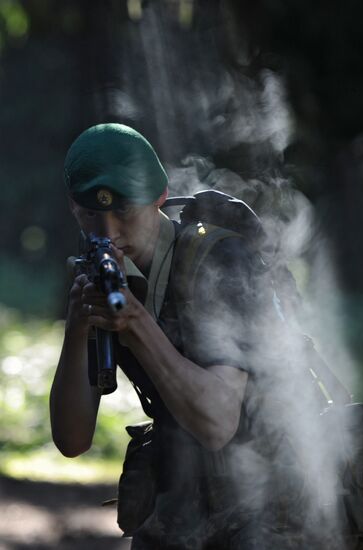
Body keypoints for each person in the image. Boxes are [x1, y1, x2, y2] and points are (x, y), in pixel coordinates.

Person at [50, 123, 287, 549]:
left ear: (159, 197)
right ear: (72, 207)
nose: (109, 232)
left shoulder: (218, 260)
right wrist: (78, 324)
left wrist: (135, 323)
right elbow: (72, 440)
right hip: (182, 503)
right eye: (91, 215)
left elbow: (218, 423)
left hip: (273, 494)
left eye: (124, 210)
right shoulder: (99, 271)